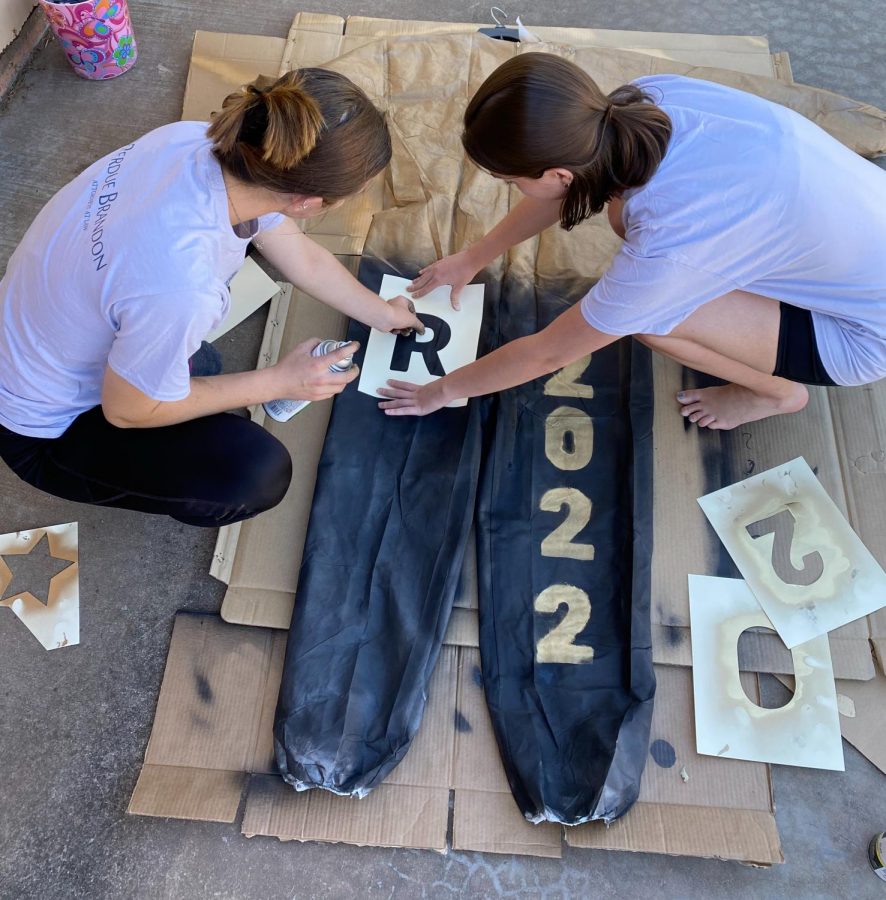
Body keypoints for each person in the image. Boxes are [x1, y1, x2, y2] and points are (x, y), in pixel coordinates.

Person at [0, 68, 422, 526]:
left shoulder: (195, 143)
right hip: (42, 431)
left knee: (202, 369)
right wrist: (281, 382)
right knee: (251, 473)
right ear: (307, 202)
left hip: (31, 339)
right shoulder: (183, 285)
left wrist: (385, 314)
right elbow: (128, 411)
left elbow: (300, 255)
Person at [378, 54, 886, 427]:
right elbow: (569, 184)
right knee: (635, 262)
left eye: (512, 182)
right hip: (853, 242)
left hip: (859, 335)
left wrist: (439, 392)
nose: (513, 190)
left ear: (555, 173)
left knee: (646, 318)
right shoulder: (643, 99)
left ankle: (774, 394)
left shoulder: (672, 241)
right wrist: (472, 258)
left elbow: (545, 355)